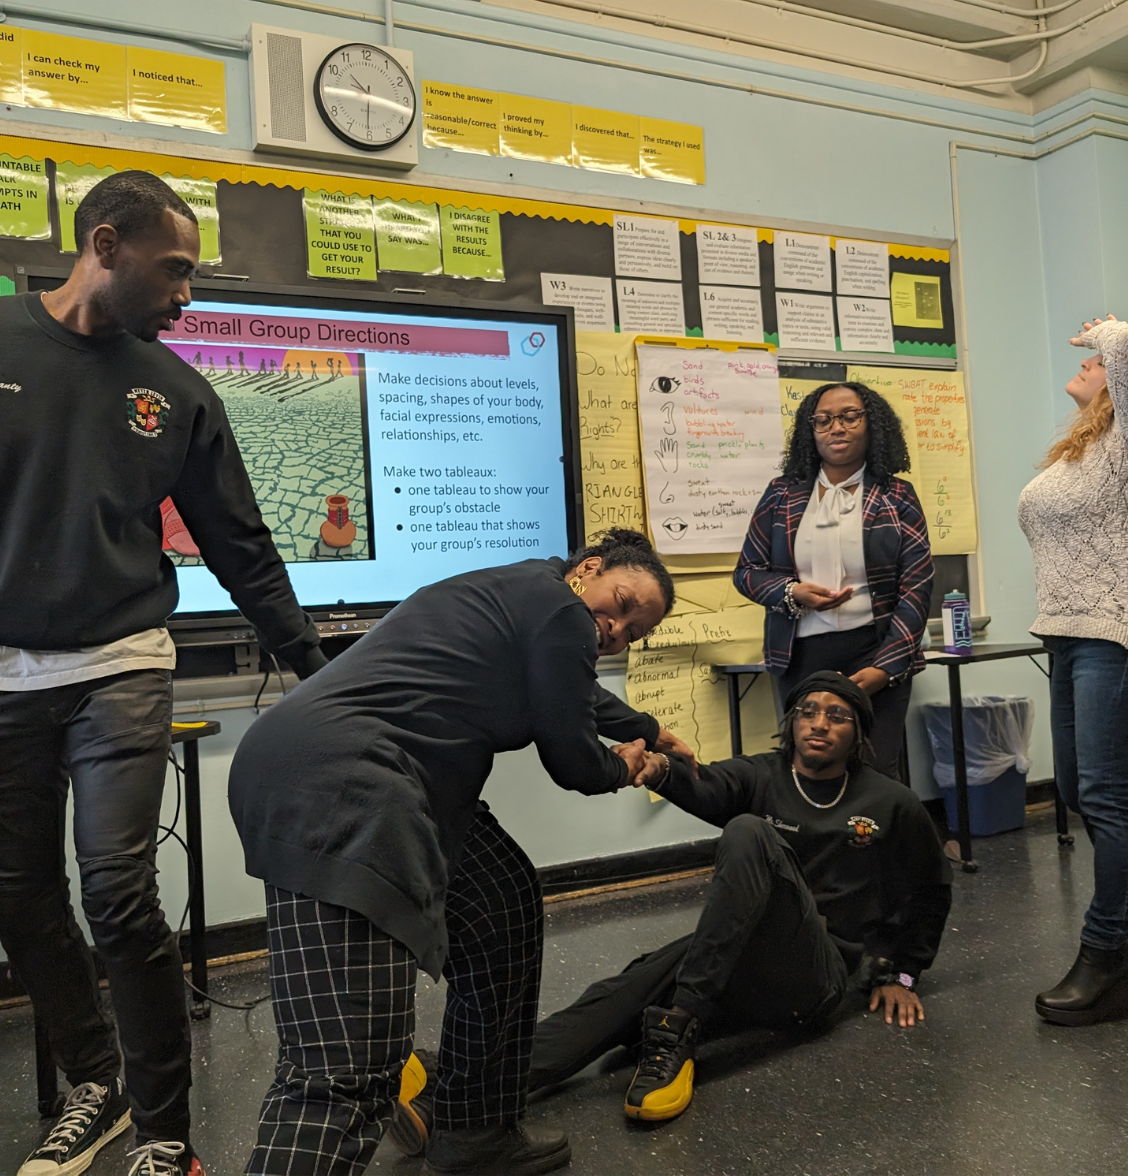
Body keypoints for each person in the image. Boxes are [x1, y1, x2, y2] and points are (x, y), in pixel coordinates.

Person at [0, 172, 327, 1176]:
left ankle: (164, 1132)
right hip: (7, 671)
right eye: (175, 269)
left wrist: (312, 666)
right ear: (105, 245)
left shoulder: (177, 392)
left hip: (124, 661)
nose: (188, 296)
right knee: (16, 891)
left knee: (116, 890)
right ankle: (95, 1085)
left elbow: (239, 541)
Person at [228, 529, 691, 1176]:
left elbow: (571, 689)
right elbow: (575, 762)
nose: (617, 629)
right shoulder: (561, 611)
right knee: (344, 1073)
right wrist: (625, 764)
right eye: (621, 604)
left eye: (633, 632)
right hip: (351, 786)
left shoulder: (529, 595)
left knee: (502, 902)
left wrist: (647, 728)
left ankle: (477, 1130)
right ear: (588, 568)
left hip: (366, 775)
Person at [393, 671, 950, 1133]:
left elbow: (932, 887)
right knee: (622, 994)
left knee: (748, 832)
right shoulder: (763, 775)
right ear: (792, 721)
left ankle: (679, 1021)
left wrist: (901, 974)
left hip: (816, 977)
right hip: (737, 961)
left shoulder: (890, 801)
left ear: (859, 733)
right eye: (808, 711)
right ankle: (465, 1087)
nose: (819, 723)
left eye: (837, 716)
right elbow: (707, 786)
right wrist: (658, 768)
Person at [733, 382, 934, 779]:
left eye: (849, 417)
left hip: (875, 650)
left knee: (876, 771)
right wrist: (792, 592)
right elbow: (747, 572)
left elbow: (916, 588)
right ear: (810, 431)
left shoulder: (897, 496)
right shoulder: (781, 494)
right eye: (823, 420)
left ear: (872, 424)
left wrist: (886, 668)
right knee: (809, 770)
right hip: (800, 656)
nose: (836, 428)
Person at [1021, 315, 1128, 1025]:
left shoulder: (1124, 445)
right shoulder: (1084, 449)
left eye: (1098, 361)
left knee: (1107, 796)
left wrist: (1110, 329)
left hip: (1112, 637)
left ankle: (1106, 949)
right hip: (1065, 636)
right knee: (1078, 792)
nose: (1087, 362)